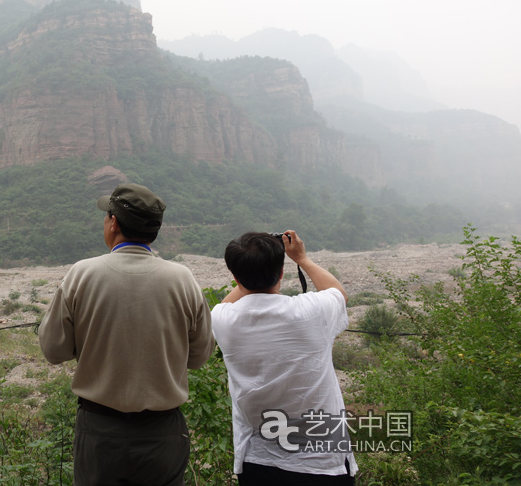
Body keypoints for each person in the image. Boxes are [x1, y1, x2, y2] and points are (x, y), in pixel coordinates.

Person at [38, 183, 215, 486]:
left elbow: (54, 351)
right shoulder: (182, 279)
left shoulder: (82, 274)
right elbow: (199, 357)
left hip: (99, 433)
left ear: (114, 223)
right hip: (163, 433)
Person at [211, 231, 358, 485]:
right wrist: (301, 259)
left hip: (258, 460)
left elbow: (226, 304)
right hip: (322, 462)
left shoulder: (223, 319)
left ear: (235, 277)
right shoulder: (311, 311)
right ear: (281, 273)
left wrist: (249, 267)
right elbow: (338, 293)